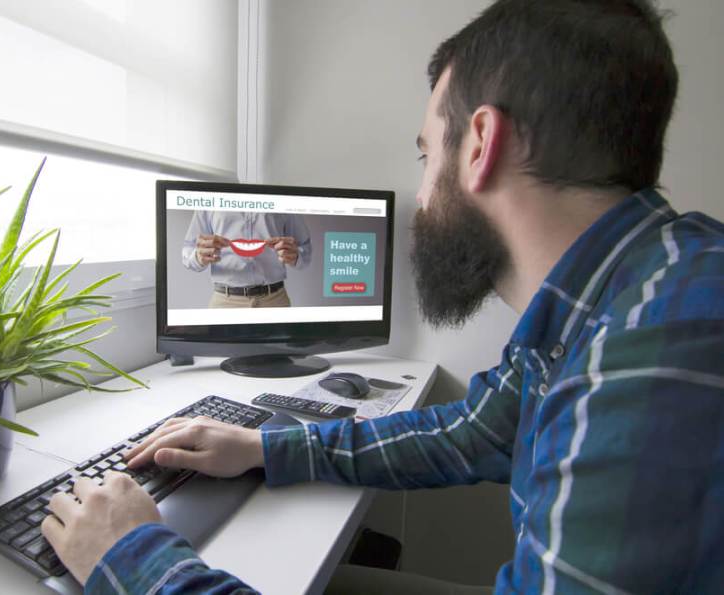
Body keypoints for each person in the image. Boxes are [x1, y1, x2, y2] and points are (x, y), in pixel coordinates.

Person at [40, 1, 724, 593]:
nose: (422, 196)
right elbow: (476, 432)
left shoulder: (645, 356)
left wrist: (134, 560)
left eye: (427, 155)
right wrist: (265, 446)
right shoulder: (615, 299)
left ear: (480, 142)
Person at [182, 210, 312, 308]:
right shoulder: (210, 197)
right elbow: (188, 250)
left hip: (275, 301)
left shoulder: (284, 197)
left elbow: (305, 249)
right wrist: (199, 257)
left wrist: (296, 256)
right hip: (225, 304)